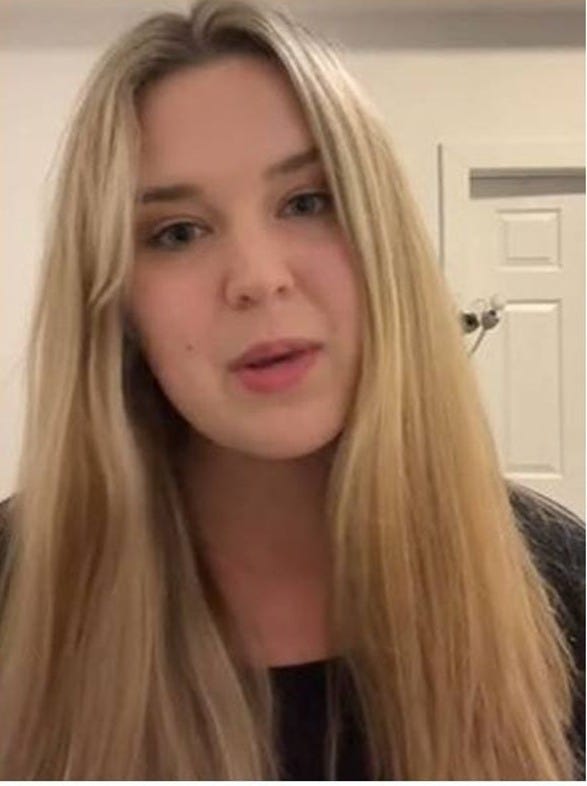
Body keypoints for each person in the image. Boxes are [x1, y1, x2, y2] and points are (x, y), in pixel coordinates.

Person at [0, 0, 583, 779]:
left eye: (307, 203)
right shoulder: (18, 593)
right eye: (177, 232)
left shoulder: (559, 584)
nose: (259, 279)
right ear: (117, 303)